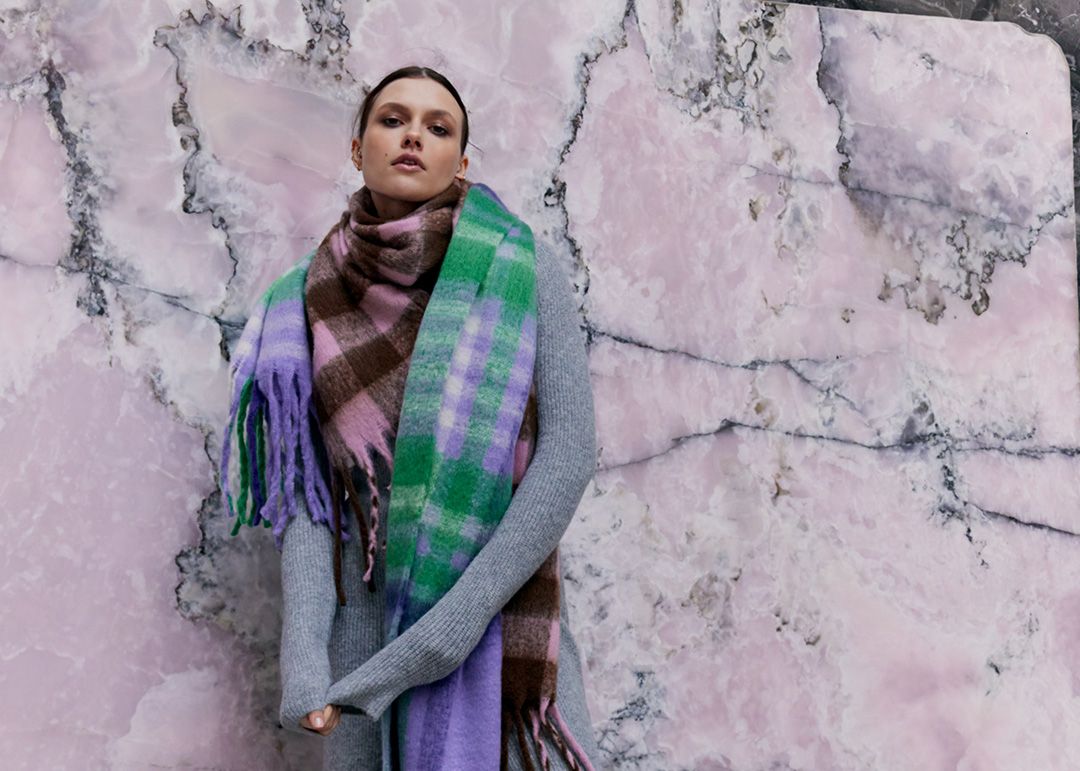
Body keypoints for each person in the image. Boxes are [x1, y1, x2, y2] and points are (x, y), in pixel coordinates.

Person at [220, 65, 600, 771]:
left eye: (438, 127)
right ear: (356, 146)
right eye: (393, 119)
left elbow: (570, 453)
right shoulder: (303, 299)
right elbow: (309, 499)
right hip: (363, 649)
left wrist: (453, 627)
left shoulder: (520, 267)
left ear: (462, 161)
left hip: (496, 619)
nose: (413, 137)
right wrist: (305, 659)